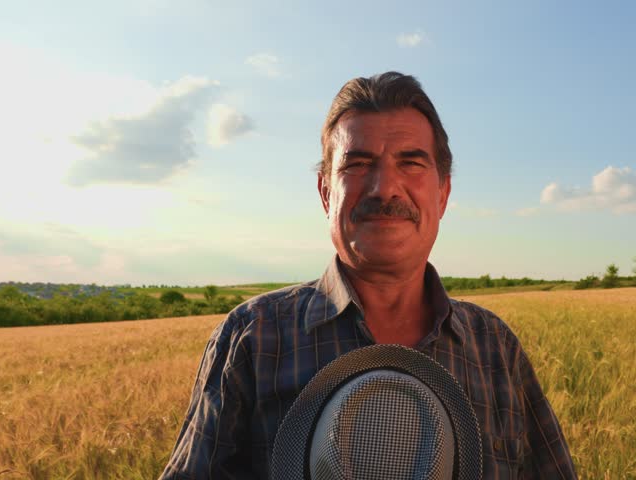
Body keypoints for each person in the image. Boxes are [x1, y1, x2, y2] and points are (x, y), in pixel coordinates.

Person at [160, 72, 577, 479]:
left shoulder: (495, 347)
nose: (385, 188)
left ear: (443, 193)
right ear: (326, 193)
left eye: (411, 163)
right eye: (358, 164)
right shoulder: (252, 338)